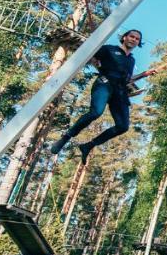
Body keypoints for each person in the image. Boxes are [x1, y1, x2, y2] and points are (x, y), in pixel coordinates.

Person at [48, 29, 143, 164]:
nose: (134, 39)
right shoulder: (109, 49)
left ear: (138, 43)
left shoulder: (131, 60)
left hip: (120, 91)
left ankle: (88, 145)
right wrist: (94, 60)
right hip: (104, 84)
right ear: (124, 37)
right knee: (96, 112)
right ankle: (66, 137)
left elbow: (127, 79)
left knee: (123, 126)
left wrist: (144, 74)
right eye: (132, 36)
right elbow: (89, 54)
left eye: (137, 39)